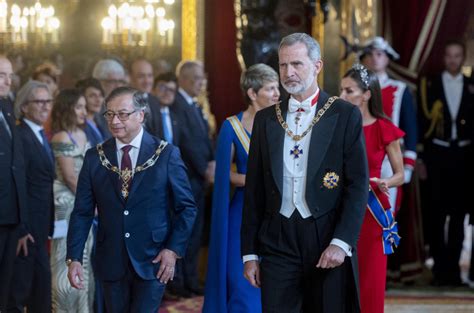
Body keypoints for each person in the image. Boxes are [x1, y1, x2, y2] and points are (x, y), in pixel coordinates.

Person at [241, 33, 368, 313]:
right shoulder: (265, 120)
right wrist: (249, 253)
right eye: (283, 65)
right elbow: (255, 191)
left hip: (325, 236)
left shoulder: (345, 115)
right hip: (277, 238)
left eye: (297, 64)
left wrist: (342, 242)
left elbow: (358, 185)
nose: (289, 73)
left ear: (317, 66)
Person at [66, 87, 197, 312]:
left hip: (154, 259)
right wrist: (74, 257)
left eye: (123, 114)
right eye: (110, 114)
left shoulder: (166, 154)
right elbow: (82, 212)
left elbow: (186, 208)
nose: (115, 120)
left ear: (141, 115)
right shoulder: (95, 157)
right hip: (110, 261)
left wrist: (172, 250)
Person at [203, 64, 280, 313]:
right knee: (241, 281)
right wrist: (253, 180)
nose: (277, 93)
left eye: (277, 87)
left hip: (278, 214)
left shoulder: (284, 123)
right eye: (270, 88)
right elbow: (222, 174)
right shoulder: (232, 127)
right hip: (242, 212)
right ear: (252, 93)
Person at [340, 64, 404, 313]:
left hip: (373, 212)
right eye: (342, 90)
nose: (342, 96)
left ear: (366, 94)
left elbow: (400, 175)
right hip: (343, 208)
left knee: (371, 281)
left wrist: (385, 182)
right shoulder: (340, 126)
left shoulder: (383, 128)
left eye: (349, 91)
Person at [419, 40, 474, 286]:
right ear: (444, 57)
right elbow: (422, 122)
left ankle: (453, 270)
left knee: (459, 215)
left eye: (457, 55)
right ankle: (439, 269)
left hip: (464, 157)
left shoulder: (472, 85)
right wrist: (420, 157)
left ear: (463, 57)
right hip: (437, 156)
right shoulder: (428, 85)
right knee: (436, 214)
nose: (453, 60)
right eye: (449, 55)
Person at [7, 81, 55, 313]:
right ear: (24, 107)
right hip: (27, 229)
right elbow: (19, 184)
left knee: (41, 287)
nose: (46, 107)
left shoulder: (39, 134)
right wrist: (22, 228)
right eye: (39, 102)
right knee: (21, 289)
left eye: (48, 101)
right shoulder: (20, 135)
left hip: (40, 223)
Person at [170, 60, 215, 297]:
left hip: (199, 179)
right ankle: (179, 282)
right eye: (197, 78)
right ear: (185, 79)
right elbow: (186, 143)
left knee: (195, 233)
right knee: (184, 233)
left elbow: (205, 140)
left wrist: (213, 162)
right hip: (188, 178)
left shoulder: (195, 106)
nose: (201, 83)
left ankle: (191, 279)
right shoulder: (177, 104)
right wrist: (204, 169)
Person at [50, 89, 93, 313]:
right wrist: (91, 204)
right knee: (65, 256)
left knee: (85, 255)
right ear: (67, 108)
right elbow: (69, 177)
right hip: (66, 201)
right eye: (79, 107)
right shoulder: (61, 137)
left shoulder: (83, 134)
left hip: (82, 199)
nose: (84, 112)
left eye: (84, 107)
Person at [0, 56, 27, 312]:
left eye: (9, 75)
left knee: (6, 285)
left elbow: (16, 162)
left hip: (11, 213)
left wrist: (23, 217)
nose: (7, 81)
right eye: (0, 75)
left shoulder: (7, 105)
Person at [147, 72, 181, 145]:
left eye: (171, 90)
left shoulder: (176, 117)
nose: (167, 93)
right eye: (163, 88)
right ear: (153, 89)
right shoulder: (147, 114)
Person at [76, 78, 109, 146]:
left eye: (100, 95)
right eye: (92, 96)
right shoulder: (80, 126)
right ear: (82, 98)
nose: (98, 100)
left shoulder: (100, 123)